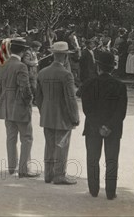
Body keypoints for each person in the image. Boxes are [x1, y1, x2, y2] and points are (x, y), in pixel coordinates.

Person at [80, 51, 127, 200]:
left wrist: (99, 125)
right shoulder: (120, 85)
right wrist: (109, 126)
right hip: (113, 129)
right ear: (112, 68)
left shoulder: (89, 84)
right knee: (112, 159)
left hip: (93, 127)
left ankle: (93, 189)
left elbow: (87, 109)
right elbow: (121, 111)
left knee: (93, 158)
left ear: (98, 67)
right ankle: (110, 192)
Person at [35, 41, 80, 185]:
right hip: (63, 116)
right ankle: (59, 175)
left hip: (47, 115)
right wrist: (75, 117)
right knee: (61, 145)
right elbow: (71, 99)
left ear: (53, 55)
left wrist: (44, 111)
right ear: (65, 57)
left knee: (49, 145)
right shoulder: (66, 75)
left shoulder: (42, 72)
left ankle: (48, 174)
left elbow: (38, 98)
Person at [0, 38, 38, 177]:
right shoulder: (21, 66)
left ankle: (12, 167)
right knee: (26, 137)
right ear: (23, 51)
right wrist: (29, 101)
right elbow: (25, 88)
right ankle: (24, 169)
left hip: (6, 105)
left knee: (11, 137)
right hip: (19, 106)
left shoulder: (2, 64)